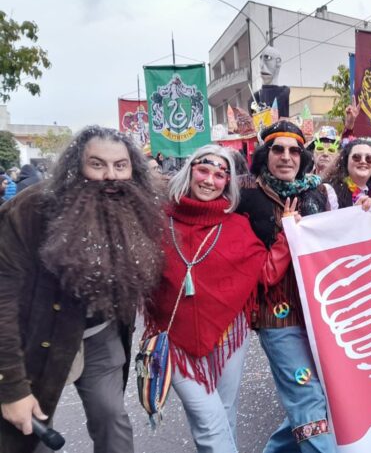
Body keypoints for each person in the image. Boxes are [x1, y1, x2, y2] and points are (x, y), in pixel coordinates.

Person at [0, 126, 164, 453]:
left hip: (100, 336)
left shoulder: (137, 206)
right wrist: (11, 388)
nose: (110, 176)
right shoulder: (29, 211)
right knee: (30, 434)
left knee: (112, 420)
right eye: (97, 164)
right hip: (36, 339)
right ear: (77, 167)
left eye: (120, 166)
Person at [145, 145, 291, 453]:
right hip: (175, 340)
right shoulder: (157, 222)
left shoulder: (237, 226)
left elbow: (262, 272)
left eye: (220, 174)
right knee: (208, 419)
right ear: (190, 172)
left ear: (228, 182)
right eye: (203, 170)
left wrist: (286, 238)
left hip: (229, 336)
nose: (210, 180)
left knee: (224, 413)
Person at [236, 120, 336, 452]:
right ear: (265, 155)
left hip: (319, 313)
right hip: (276, 316)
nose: (286, 157)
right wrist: (284, 235)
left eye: (294, 150)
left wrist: (368, 210)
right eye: (278, 149)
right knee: (305, 393)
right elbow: (254, 272)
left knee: (314, 394)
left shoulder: (318, 192)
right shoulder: (244, 193)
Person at [325, 138, 371, 210]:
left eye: (369, 158)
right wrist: (354, 212)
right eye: (356, 157)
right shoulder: (330, 191)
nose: (363, 161)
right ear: (346, 161)